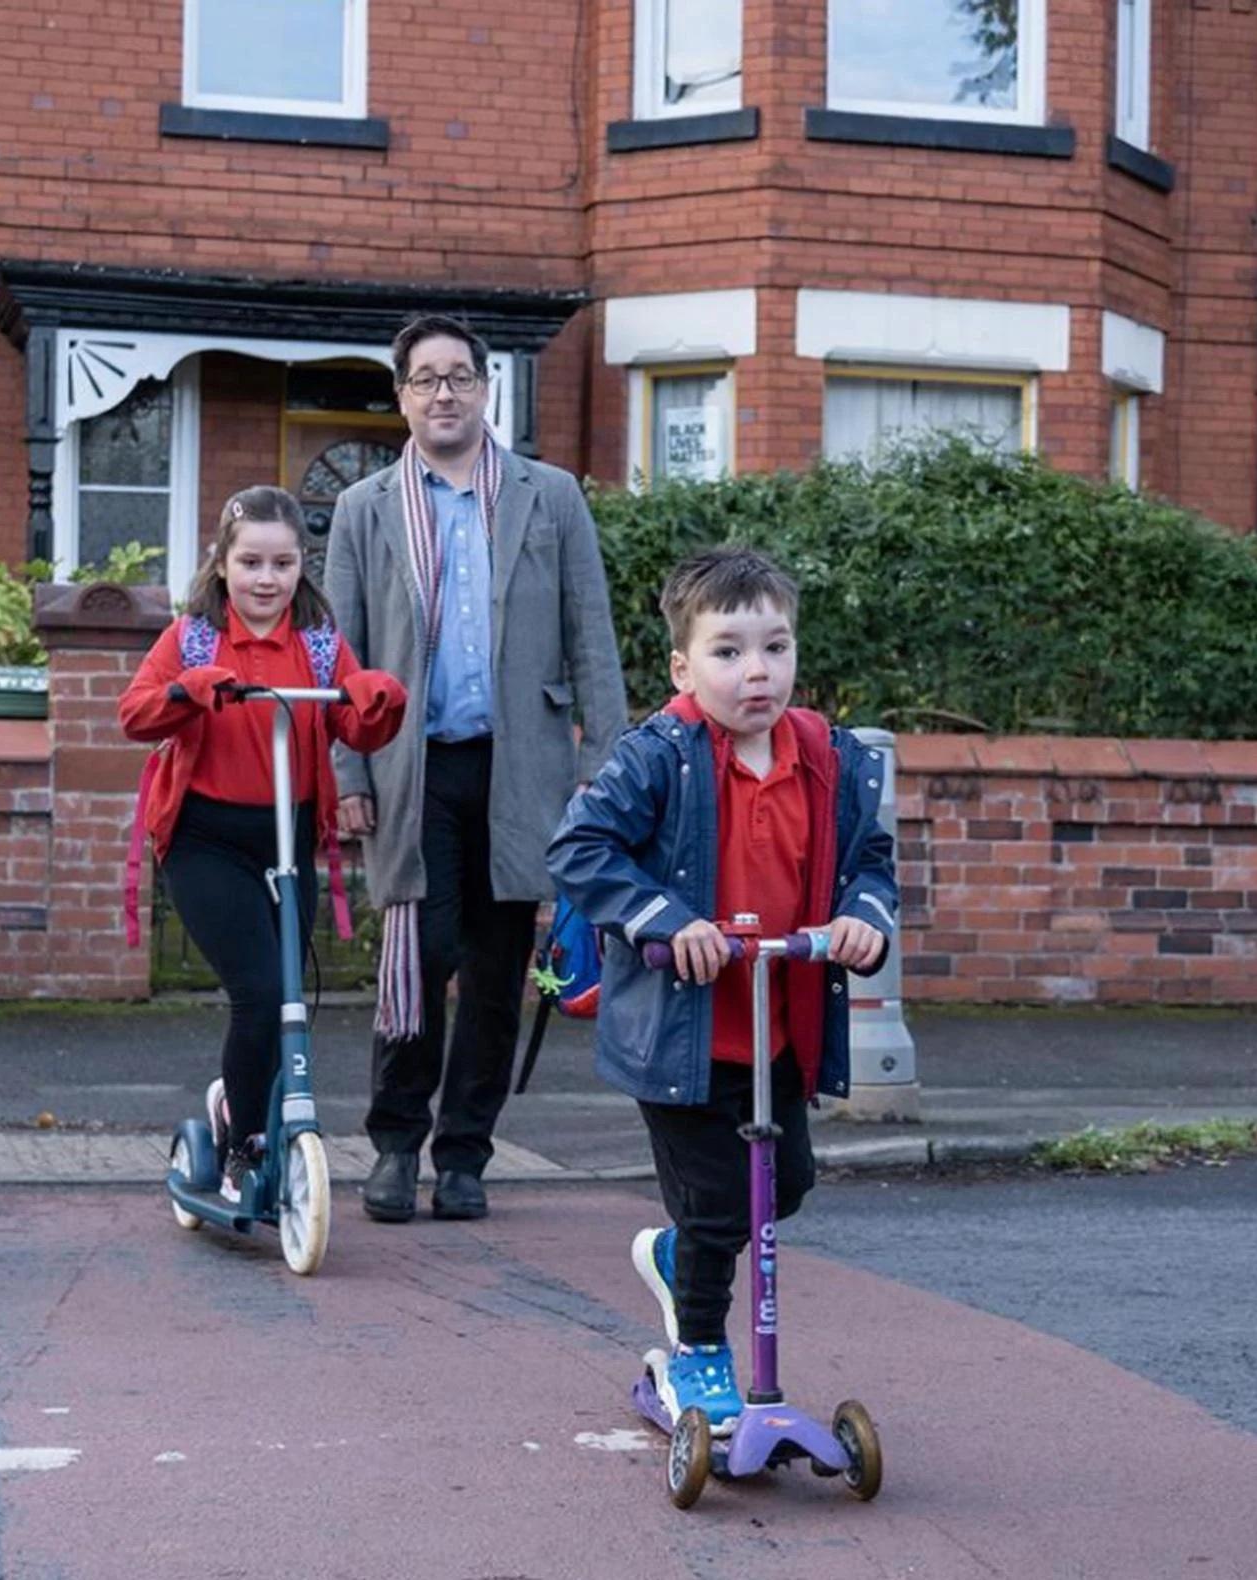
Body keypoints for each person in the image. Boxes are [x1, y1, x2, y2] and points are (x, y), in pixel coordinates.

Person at [547, 546, 898, 1431]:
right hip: (681, 1034)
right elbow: (579, 850)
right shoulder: (658, 756)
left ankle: (674, 1259)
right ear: (683, 665)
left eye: (775, 649)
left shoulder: (831, 759)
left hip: (781, 1024)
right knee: (715, 1203)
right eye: (729, 651)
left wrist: (863, 916)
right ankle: (699, 1351)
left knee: (784, 1189)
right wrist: (666, 918)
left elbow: (870, 865)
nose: (757, 672)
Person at [324, 313, 629, 1224]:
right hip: (412, 768)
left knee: (498, 973)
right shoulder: (364, 508)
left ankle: (465, 1156)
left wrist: (604, 770)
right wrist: (349, 772)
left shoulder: (551, 496)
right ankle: (392, 1146)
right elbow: (339, 655)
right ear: (401, 395)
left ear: (486, 389)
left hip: (523, 768)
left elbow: (593, 640)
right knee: (417, 960)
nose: (443, 392)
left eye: (459, 376)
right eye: (425, 378)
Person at [119, 487, 405, 1197]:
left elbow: (358, 725)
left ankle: (247, 1108)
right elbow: (136, 714)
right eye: (251, 562)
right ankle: (244, 1139)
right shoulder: (191, 636)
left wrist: (376, 698)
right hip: (203, 839)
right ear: (222, 564)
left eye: (283, 563)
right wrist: (187, 691)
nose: (267, 579)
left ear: (302, 568)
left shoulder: (316, 642)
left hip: (288, 837)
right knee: (258, 992)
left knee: (290, 1001)